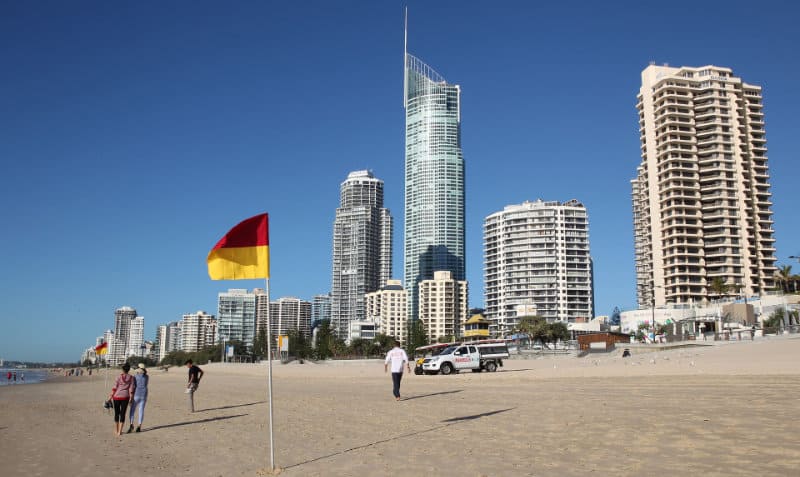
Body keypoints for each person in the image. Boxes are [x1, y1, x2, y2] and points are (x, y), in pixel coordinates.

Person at [109, 363, 135, 436]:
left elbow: (115, 387)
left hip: (116, 397)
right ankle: (120, 431)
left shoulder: (118, 377)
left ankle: (116, 430)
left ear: (123, 369)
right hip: (125, 397)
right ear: (129, 370)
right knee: (123, 414)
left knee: (117, 413)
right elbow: (131, 389)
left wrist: (110, 397)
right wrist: (131, 398)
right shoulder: (131, 378)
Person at [128, 363, 149, 433]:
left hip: (136, 394)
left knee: (132, 410)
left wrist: (130, 397)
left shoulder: (135, 377)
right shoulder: (147, 377)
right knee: (141, 410)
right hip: (144, 395)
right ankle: (139, 425)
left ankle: (131, 424)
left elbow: (133, 386)